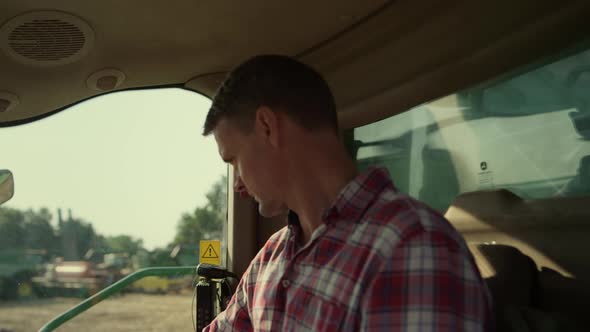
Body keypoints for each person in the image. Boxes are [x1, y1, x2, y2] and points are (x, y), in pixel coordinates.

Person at [202, 55, 493, 331]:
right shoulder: (272, 258)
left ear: (267, 127)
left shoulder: (413, 247)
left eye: (234, 161)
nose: (237, 183)